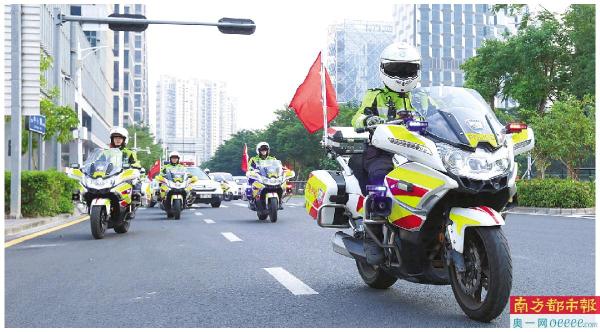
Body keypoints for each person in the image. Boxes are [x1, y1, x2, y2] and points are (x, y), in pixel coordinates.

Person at [350, 43, 422, 265]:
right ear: (384, 69)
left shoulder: (421, 97)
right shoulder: (374, 95)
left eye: (407, 70)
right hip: (382, 150)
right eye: (396, 69)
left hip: (418, 151)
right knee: (380, 181)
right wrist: (368, 120)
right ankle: (373, 235)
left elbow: (438, 118)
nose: (401, 75)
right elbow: (357, 119)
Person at [109, 126, 142, 205]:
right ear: (112, 139)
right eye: (115, 138)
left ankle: (132, 203)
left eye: (120, 138)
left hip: (124, 175)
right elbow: (99, 162)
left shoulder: (129, 152)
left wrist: (134, 166)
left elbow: (136, 163)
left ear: (124, 140)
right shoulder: (107, 152)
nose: (117, 140)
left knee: (135, 182)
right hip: (110, 176)